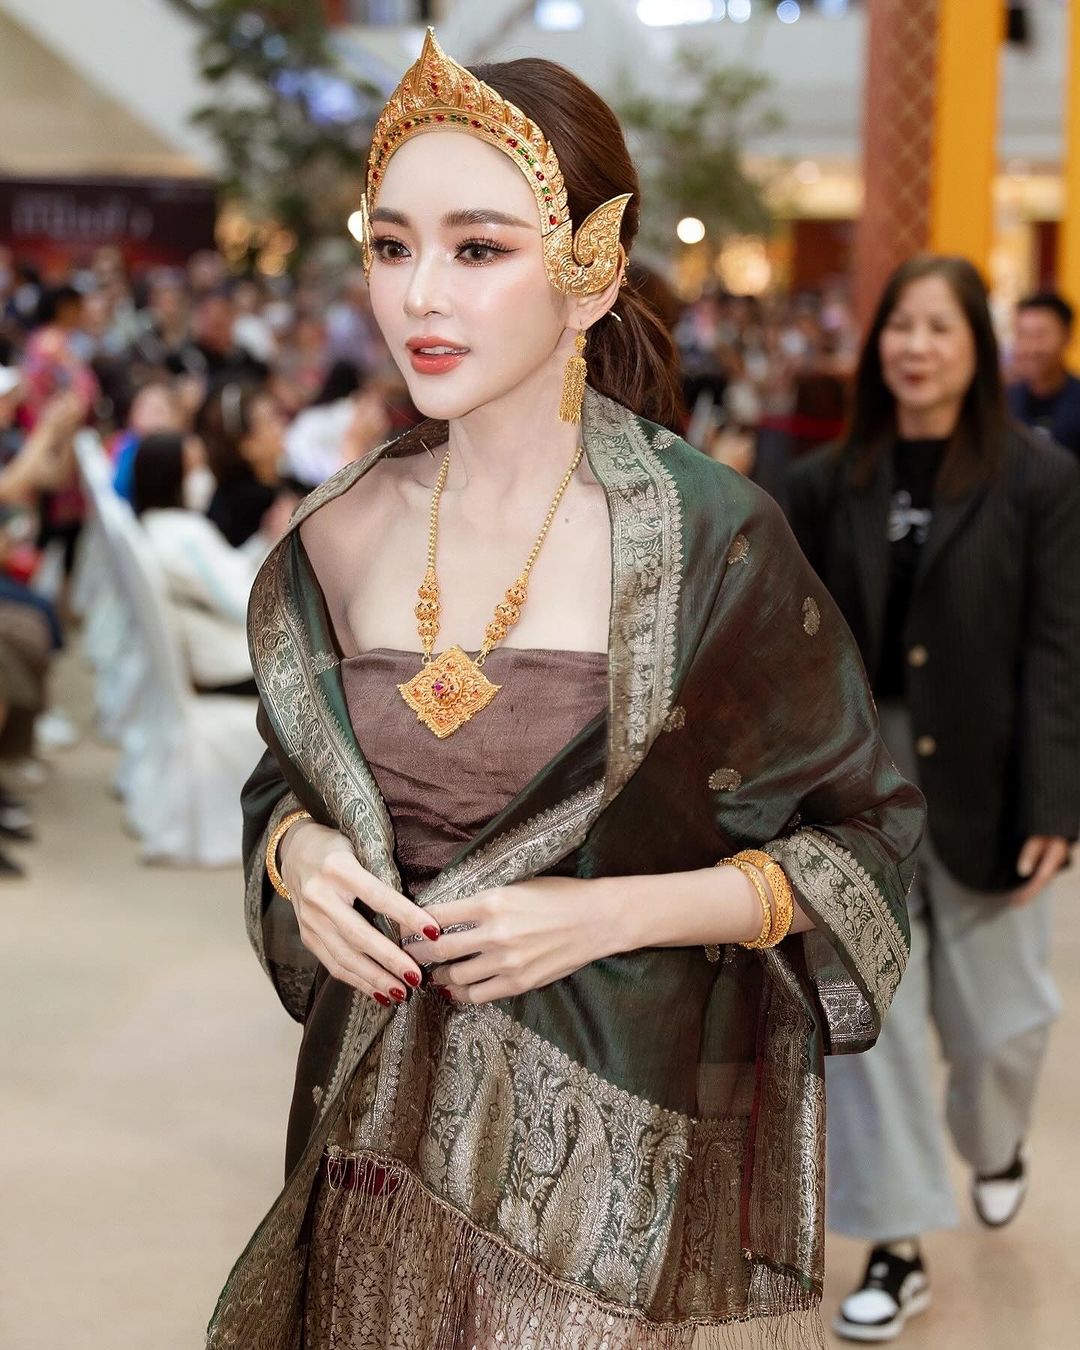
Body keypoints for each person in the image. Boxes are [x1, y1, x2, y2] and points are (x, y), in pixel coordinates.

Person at [207, 33, 923, 1350]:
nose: (421, 295)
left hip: (594, 1172)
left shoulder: (709, 542)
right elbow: (282, 785)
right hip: (363, 1146)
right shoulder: (336, 533)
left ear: (590, 269)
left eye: (479, 248)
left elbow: (869, 840)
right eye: (391, 245)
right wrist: (302, 858)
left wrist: (603, 913)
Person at [787, 255, 1080, 1343]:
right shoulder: (825, 481)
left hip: (994, 773)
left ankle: (996, 1142)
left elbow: (1058, 649)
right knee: (882, 1015)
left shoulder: (1039, 479)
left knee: (1001, 1020)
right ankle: (896, 1242)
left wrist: (1058, 799)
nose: (915, 347)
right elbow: (794, 646)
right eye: (900, 327)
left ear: (976, 349)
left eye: (939, 328)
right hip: (861, 776)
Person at [131, 433, 284, 695]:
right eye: (195, 467)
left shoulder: (157, 525)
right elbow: (242, 606)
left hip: (222, 659)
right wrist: (281, 545)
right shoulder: (185, 536)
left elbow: (228, 569)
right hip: (237, 665)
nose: (204, 477)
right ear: (170, 476)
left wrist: (266, 539)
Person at [197, 382, 296, 552]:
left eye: (278, 415)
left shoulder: (288, 482)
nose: (282, 424)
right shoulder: (238, 506)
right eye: (270, 420)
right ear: (246, 445)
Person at [1006, 290, 1080, 454]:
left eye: (1041, 335)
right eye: (1022, 335)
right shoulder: (1003, 403)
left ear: (1067, 337)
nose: (1030, 348)